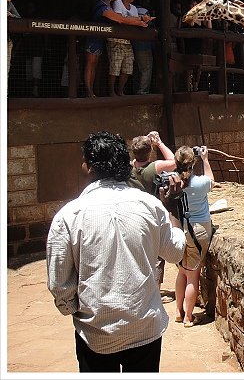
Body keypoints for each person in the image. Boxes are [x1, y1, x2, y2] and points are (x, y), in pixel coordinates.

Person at [46, 131, 186, 372]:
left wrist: (77, 310)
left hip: (96, 334)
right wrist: (171, 207)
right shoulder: (151, 206)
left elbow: (60, 283)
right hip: (145, 328)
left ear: (89, 167)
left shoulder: (68, 216)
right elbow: (175, 253)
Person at [130, 130, 178, 300]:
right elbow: (174, 161)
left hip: (133, 216)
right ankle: (155, 294)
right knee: (157, 255)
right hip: (152, 215)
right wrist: (159, 143)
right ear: (149, 151)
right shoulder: (154, 167)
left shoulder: (129, 168)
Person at [172, 145, 215, 328]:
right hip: (198, 230)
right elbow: (211, 181)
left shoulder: (173, 182)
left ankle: (178, 311)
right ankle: (189, 317)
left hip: (179, 229)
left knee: (182, 271)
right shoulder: (199, 183)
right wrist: (205, 159)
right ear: (193, 162)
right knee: (193, 275)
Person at [83, 0, 148, 98]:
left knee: (95, 65)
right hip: (93, 38)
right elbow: (120, 19)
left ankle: (91, 91)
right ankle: (88, 91)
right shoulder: (102, 6)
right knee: (90, 64)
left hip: (100, 38)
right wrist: (140, 19)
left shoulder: (107, 5)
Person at [107, 0, 153, 97]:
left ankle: (120, 91)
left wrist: (142, 21)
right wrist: (138, 20)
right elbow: (120, 19)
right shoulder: (118, 3)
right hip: (115, 40)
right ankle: (111, 91)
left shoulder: (134, 8)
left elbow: (134, 22)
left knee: (128, 68)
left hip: (128, 41)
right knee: (115, 68)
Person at [133, 0, 155, 94]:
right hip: (144, 45)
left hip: (133, 43)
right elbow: (149, 25)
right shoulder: (144, 11)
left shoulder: (132, 9)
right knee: (146, 69)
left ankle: (135, 90)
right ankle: (143, 92)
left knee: (137, 69)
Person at [7, 0, 21, 75]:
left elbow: (19, 19)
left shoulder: (9, 4)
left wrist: (11, 15)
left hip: (7, 40)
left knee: (6, 67)